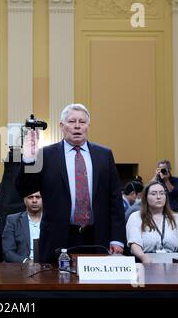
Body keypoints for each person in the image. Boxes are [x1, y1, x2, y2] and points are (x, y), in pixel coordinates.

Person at [17, 103, 125, 263]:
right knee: (56, 285)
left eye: (82, 122)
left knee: (96, 286)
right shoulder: (46, 155)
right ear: (61, 126)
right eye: (72, 121)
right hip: (58, 237)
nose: (77, 126)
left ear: (88, 126)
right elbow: (25, 188)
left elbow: (115, 199)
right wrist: (28, 159)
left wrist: (117, 239)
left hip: (97, 236)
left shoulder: (104, 155)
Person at [126, 181, 178, 263]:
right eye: (153, 194)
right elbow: (134, 244)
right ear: (145, 197)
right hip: (146, 262)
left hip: (173, 263)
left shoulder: (176, 217)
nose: (158, 197)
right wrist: (143, 257)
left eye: (162, 193)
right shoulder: (135, 217)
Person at [2, 191, 42, 263]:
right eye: (30, 197)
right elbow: (7, 251)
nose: (34, 201)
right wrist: (26, 262)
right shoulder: (13, 220)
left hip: (46, 266)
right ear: (24, 200)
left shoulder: (51, 220)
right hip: (21, 267)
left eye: (38, 197)